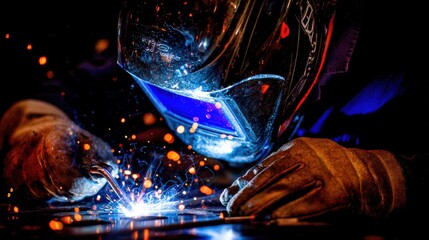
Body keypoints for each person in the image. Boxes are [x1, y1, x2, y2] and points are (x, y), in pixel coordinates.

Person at [0, 0, 427, 228]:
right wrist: (41, 125)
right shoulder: (161, 45)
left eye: (208, 96)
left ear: (285, 39)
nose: (190, 121)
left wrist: (385, 176)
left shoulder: (398, 57)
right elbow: (61, 90)